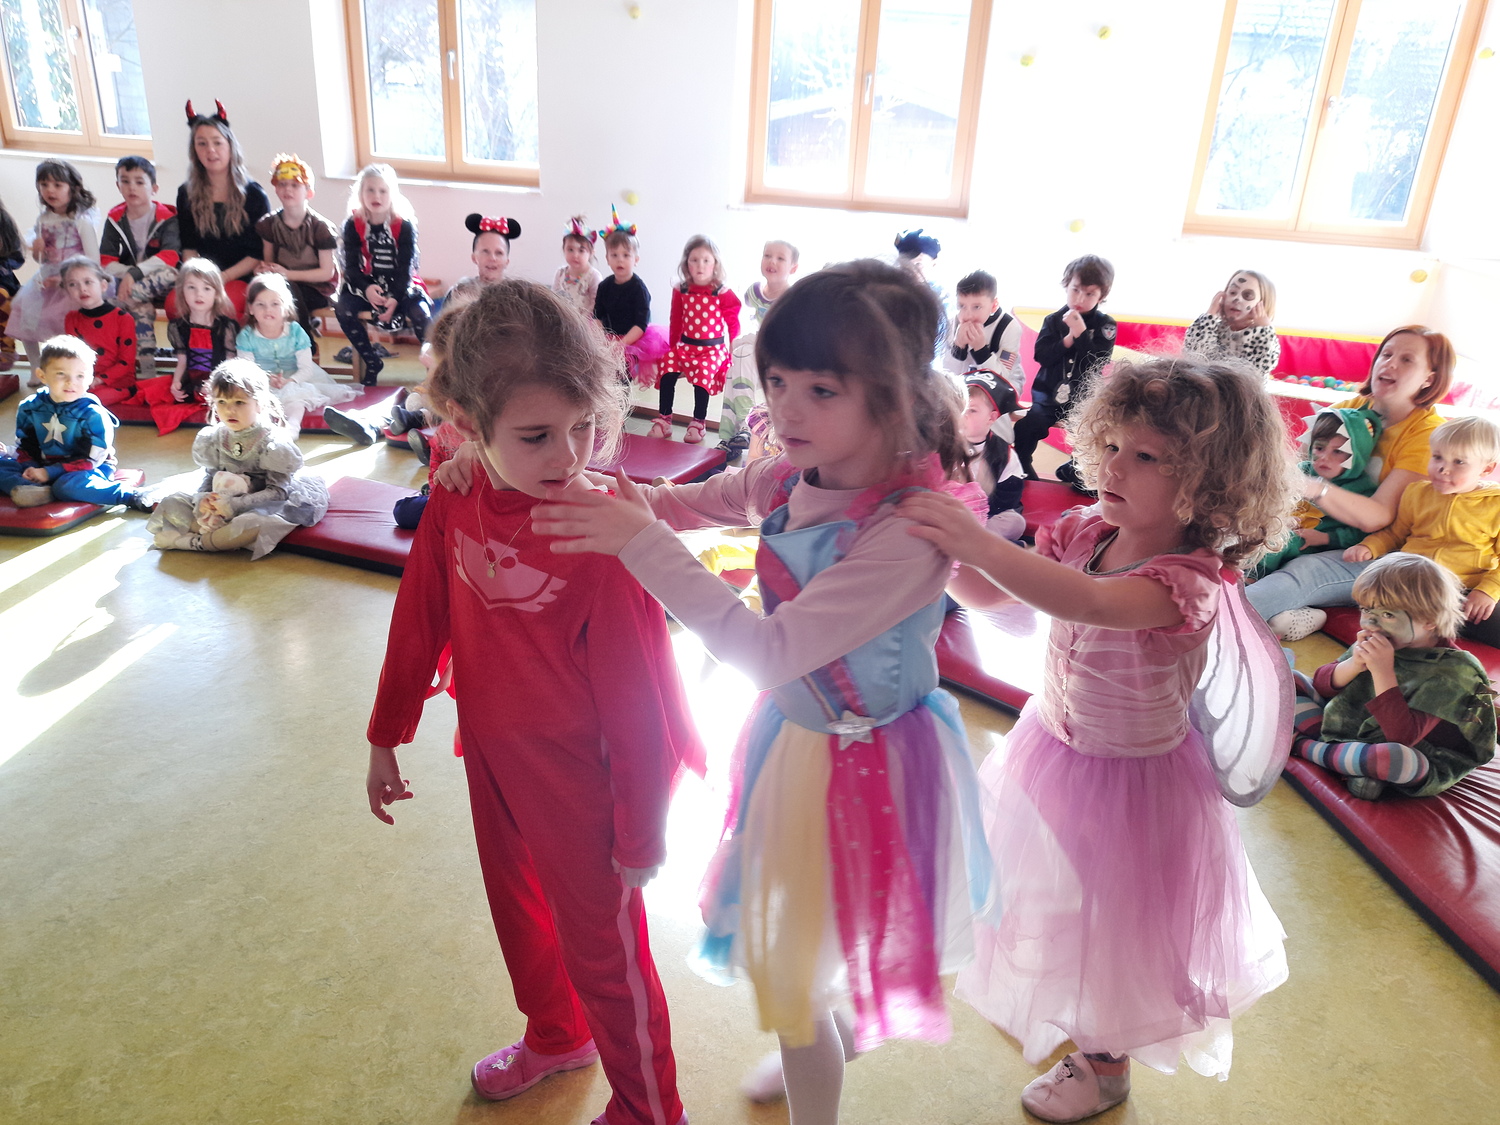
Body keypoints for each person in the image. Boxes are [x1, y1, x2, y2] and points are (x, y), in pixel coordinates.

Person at [521, 260, 991, 1125]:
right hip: (796, 748)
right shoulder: (790, 477)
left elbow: (766, 651)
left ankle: (819, 1060)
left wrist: (639, 543)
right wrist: (617, 497)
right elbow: (691, 502)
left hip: (874, 763)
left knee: (803, 971)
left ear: (892, 398)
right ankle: (821, 1034)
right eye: (777, 382)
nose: (787, 408)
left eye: (821, 389)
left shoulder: (905, 533)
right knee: (804, 960)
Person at [898, 355, 1296, 1122]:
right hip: (1051, 750)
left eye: (1147, 457)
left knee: (1113, 932)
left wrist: (975, 539)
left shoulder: (1186, 581)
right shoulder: (1086, 529)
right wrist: (939, 552)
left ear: (1209, 484)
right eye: (1112, 444)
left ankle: (1106, 1067)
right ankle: (1073, 1024)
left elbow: (1086, 601)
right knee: (1049, 901)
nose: (1114, 466)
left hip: (1134, 785)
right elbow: (998, 597)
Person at [364, 280, 703, 1125]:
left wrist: (640, 830)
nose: (569, 454)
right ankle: (556, 1034)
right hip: (493, 755)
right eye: (537, 435)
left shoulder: (601, 527)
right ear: (469, 421)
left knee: (607, 954)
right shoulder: (454, 491)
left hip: (586, 785)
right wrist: (386, 733)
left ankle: (650, 1109)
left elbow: (639, 694)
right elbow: (421, 615)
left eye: (584, 426)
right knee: (520, 915)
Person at [1247, 325, 1454, 640]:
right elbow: (1295, 468)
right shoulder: (1347, 411)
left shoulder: (1427, 434)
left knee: (1306, 571)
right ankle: (1294, 615)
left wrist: (1316, 488)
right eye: (1386, 354)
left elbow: (1378, 517)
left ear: (1429, 378)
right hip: (1319, 529)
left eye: (1406, 360)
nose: (1390, 364)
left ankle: (1216, 622)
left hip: (1376, 550)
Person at [1292, 553, 1497, 801]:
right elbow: (1321, 686)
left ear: (1429, 620)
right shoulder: (1381, 637)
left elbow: (1402, 737)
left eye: (1388, 615)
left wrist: (1383, 672)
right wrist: (1354, 664)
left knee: (1396, 761)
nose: (1370, 623)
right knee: (1288, 680)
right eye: (1366, 609)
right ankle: (1346, 759)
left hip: (1422, 751)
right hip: (1358, 725)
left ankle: (1302, 746)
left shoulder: (1453, 672)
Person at [1342, 415, 1500, 647]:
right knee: (1382, 610)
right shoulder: (1416, 493)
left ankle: (1439, 633)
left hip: (1465, 589)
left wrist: (1488, 591)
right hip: (1414, 585)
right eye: (1437, 457)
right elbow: (1396, 534)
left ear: (1486, 469)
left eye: (1459, 462)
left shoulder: (1495, 504)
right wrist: (1370, 546)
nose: (1443, 468)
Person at [148, 358, 329, 557]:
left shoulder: (273, 443)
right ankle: (216, 536)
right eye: (221, 402)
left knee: (254, 524)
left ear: (259, 404)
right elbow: (210, 476)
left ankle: (193, 542)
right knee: (172, 502)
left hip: (261, 503)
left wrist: (234, 505)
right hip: (225, 498)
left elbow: (278, 492)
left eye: (239, 402)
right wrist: (203, 499)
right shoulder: (214, 436)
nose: (229, 410)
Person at [0, 334, 152, 511]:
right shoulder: (29, 407)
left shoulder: (93, 414)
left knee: (67, 486)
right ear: (42, 375)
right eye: (61, 374)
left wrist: (49, 473)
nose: (71, 382)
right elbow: (27, 447)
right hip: (42, 465)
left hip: (87, 469)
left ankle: (130, 496)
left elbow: (91, 458)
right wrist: (28, 467)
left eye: (80, 376)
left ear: (90, 378)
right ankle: (35, 490)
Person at [1012, 254, 1117, 480]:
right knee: (1027, 426)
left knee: (1094, 431)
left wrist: (1081, 334)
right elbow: (1041, 355)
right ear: (1066, 285)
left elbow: (1098, 363)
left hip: (1084, 400)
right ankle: (1022, 466)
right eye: (1075, 289)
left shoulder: (1106, 325)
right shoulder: (1053, 320)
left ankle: (1077, 470)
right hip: (1047, 397)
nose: (1080, 298)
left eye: (1089, 294)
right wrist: (1068, 339)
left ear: (1102, 296)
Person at [1253, 406, 1382, 577]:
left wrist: (1326, 538)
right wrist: (1282, 517)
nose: (1324, 458)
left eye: (1338, 451)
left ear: (1357, 454)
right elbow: (1273, 498)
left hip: (1315, 544)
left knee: (1276, 543)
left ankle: (1250, 581)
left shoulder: (1361, 488)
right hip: (1285, 528)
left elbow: (1362, 533)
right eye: (1319, 448)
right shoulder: (1302, 470)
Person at [334, 164, 431, 384]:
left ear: (392, 194)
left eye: (382, 191)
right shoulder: (352, 225)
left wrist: (395, 297)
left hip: (400, 286)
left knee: (421, 313)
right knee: (343, 308)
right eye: (370, 190)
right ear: (361, 193)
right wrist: (367, 288)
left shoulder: (404, 226)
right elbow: (351, 267)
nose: (376, 196)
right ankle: (371, 360)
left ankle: (432, 369)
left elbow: (406, 267)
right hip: (365, 286)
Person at [173, 101, 270, 318]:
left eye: (217, 142)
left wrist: (221, 278)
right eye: (202, 144)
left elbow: (257, 254)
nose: (210, 150)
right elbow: (188, 247)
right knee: (174, 305)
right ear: (194, 150)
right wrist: (198, 279)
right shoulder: (186, 193)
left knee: (226, 308)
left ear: (230, 146)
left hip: (240, 276)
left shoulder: (254, 194)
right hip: (201, 278)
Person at [6, 159, 100, 382]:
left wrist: (64, 280)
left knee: (60, 316)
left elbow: (93, 260)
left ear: (72, 188)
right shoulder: (43, 219)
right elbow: (41, 260)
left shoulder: (81, 219)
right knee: (21, 307)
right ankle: (36, 366)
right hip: (48, 276)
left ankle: (72, 367)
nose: (50, 190)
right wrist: (38, 250)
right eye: (44, 185)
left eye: (57, 185)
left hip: (77, 278)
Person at [236, 272, 355, 430]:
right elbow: (248, 370)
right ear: (251, 308)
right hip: (261, 381)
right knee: (255, 400)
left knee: (295, 397)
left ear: (286, 308)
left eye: (275, 304)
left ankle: (293, 426)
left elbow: (306, 368)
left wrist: (290, 381)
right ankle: (263, 427)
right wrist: (267, 380)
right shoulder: (246, 336)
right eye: (260, 305)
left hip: (296, 378)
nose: (268, 310)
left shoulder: (295, 332)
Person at [653, 235, 740, 443]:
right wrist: (673, 347)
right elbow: (675, 319)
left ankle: (698, 422)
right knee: (667, 366)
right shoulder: (681, 289)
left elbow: (733, 324)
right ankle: (664, 419)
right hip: (686, 346)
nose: (700, 265)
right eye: (694, 260)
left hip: (712, 350)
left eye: (706, 260)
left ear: (715, 264)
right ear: (686, 264)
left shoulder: (722, 292)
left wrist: (733, 350)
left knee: (703, 373)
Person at [100, 155, 180, 378]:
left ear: (154, 188)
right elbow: (106, 261)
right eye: (125, 181)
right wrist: (130, 274)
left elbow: (171, 256)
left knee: (171, 273)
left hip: (163, 285)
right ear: (118, 186)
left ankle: (122, 302)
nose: (131, 187)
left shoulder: (167, 217)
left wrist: (134, 274)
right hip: (134, 289)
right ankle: (146, 372)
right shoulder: (115, 219)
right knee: (141, 311)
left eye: (139, 182)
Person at [137, 259, 239, 434]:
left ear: (217, 293)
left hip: (219, 378)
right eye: (192, 287)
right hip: (191, 379)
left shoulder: (225, 326)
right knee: (153, 394)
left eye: (206, 288)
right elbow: (182, 361)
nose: (199, 294)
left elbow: (230, 361)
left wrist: (214, 383)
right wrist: (176, 382)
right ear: (182, 291)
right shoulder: (179, 326)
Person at [719, 239, 799, 459]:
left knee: (741, 352)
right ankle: (731, 435)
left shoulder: (791, 298)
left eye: (780, 258)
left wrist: (745, 341)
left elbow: (781, 337)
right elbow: (749, 321)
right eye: (767, 255)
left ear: (793, 268)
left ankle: (748, 425)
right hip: (758, 350)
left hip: (782, 354)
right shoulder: (753, 292)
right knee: (736, 358)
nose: (772, 261)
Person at [255, 154, 340, 360]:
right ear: (276, 189)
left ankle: (304, 344)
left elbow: (326, 273)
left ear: (308, 192)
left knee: (288, 291)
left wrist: (287, 275)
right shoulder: (268, 224)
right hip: (283, 285)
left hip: (318, 288)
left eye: (295, 185)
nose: (288, 190)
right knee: (270, 292)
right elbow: (269, 263)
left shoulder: (321, 227)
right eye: (282, 184)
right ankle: (267, 345)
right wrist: (263, 270)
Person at [592, 208, 667, 384]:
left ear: (636, 260)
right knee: (600, 375)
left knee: (621, 378)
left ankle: (622, 400)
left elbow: (641, 324)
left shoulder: (639, 289)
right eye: (614, 255)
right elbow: (597, 316)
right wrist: (603, 340)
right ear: (607, 259)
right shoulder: (604, 286)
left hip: (632, 340)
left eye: (626, 255)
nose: (620, 260)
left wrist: (622, 344)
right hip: (608, 338)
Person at [60, 256, 137, 406]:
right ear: (67, 291)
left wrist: (99, 380)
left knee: (87, 401)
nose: (82, 289)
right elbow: (72, 358)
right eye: (73, 284)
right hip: (84, 379)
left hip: (116, 381)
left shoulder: (123, 318)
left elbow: (126, 362)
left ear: (103, 285)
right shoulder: (71, 318)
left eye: (88, 282)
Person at [960, 370, 1025, 543]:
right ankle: (978, 543)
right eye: (960, 407)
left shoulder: (1004, 453)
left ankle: (974, 541)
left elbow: (1009, 496)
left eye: (972, 410)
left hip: (985, 515)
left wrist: (979, 509)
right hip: (950, 511)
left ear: (991, 417)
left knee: (1015, 522)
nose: (963, 415)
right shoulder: (943, 444)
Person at [1183, 269, 1280, 376]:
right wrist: (1209, 316)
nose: (1237, 299)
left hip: (1244, 386)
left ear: (1263, 304)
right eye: (1232, 292)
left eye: (1247, 295)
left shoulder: (1263, 335)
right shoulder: (1214, 327)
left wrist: (1264, 330)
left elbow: (1260, 368)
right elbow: (1196, 357)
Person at [552, 215, 601, 314]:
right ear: (564, 250)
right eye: (570, 249)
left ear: (591, 253)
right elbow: (553, 299)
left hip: (584, 321)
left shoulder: (593, 276)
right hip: (562, 318)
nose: (575, 255)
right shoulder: (560, 274)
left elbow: (596, 305)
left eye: (581, 251)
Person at [0, 191, 22, 371]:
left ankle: (7, 349)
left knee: (1, 298)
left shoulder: (4, 221)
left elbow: (17, 256)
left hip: (3, 282)